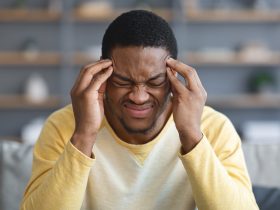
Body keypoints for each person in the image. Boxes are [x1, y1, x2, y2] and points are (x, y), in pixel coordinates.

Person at [20, 10, 259, 210]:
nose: (138, 96)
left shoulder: (213, 127)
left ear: (173, 76)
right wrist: (84, 134)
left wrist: (191, 135)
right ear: (102, 74)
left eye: (154, 82)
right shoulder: (64, 126)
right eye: (123, 82)